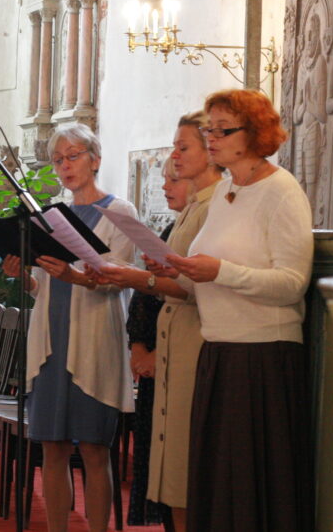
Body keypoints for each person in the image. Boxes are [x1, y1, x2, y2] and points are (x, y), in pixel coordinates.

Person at [156, 89, 314, 530]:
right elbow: (205, 277)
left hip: (262, 359)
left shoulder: (280, 190)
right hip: (219, 353)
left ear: (255, 134)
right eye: (209, 129)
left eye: (222, 130)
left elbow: (292, 284)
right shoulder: (226, 189)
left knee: (248, 492)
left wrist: (219, 271)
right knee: (216, 489)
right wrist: (175, 271)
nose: (211, 138)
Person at [3, 122, 136, 532]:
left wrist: (74, 276)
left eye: (73, 156)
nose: (65, 166)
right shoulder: (50, 217)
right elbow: (42, 286)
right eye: (58, 159)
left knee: (94, 450)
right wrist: (22, 275)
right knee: (52, 448)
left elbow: (120, 278)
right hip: (50, 342)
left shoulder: (120, 212)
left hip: (94, 341)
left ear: (95, 160)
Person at [98, 111, 223, 532]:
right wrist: (156, 274)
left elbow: (198, 284)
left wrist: (145, 278)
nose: (175, 156)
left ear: (211, 149)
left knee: (188, 471)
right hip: (173, 342)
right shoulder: (193, 210)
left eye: (183, 147)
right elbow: (180, 275)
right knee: (173, 475)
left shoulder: (217, 207)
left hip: (196, 345)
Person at [114, 158, 193, 528]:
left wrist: (159, 354)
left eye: (174, 179)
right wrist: (138, 348)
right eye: (164, 179)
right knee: (156, 466)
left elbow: (194, 302)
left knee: (180, 473)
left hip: (178, 359)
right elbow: (145, 298)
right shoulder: (172, 228)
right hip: (152, 361)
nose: (165, 187)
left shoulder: (203, 230)